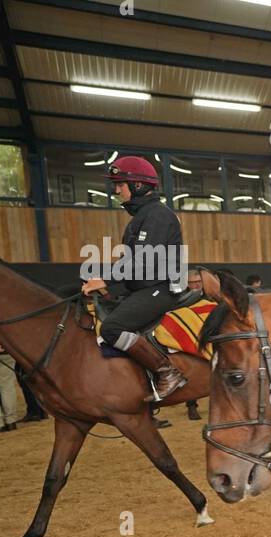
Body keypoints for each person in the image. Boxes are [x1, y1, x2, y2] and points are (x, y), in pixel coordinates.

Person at [81, 156, 189, 401]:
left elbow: (146, 261)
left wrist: (106, 280)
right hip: (143, 288)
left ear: (138, 186)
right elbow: (130, 261)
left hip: (160, 288)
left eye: (120, 184)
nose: (116, 189)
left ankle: (168, 372)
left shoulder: (158, 215)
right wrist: (102, 281)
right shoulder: (140, 218)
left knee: (112, 327)